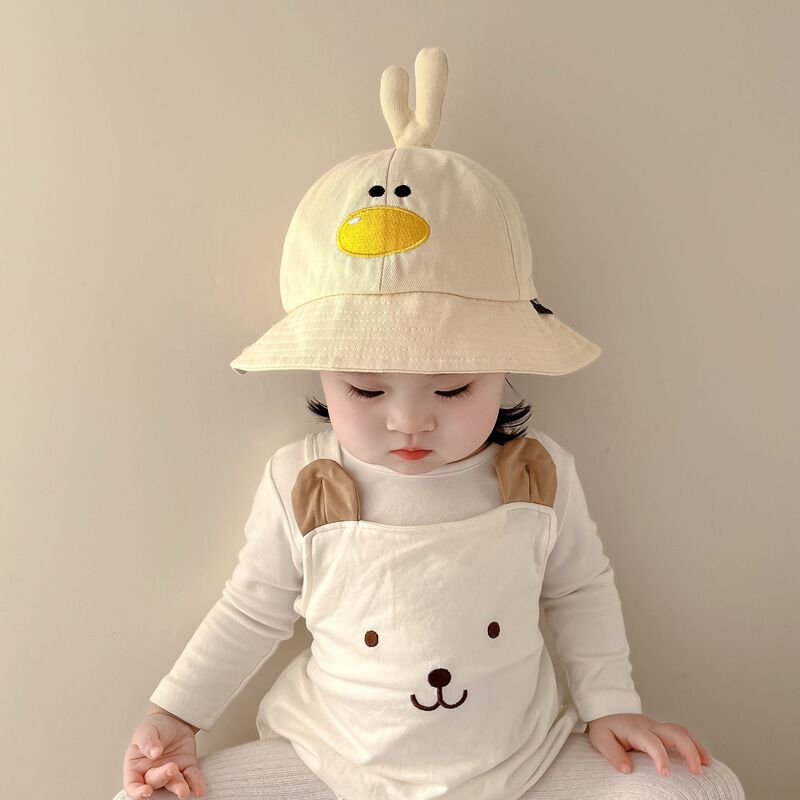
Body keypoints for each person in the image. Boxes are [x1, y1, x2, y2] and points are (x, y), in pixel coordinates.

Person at [116, 47, 744, 800]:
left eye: (452, 389)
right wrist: (175, 716)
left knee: (698, 787)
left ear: (506, 367)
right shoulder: (302, 481)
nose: (409, 422)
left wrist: (611, 705)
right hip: (332, 765)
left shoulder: (536, 475)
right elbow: (251, 609)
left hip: (522, 765)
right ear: (321, 374)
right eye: (365, 389)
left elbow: (578, 589)